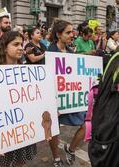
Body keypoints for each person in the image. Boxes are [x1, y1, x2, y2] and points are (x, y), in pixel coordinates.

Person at [0, 31, 37, 167]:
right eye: (16, 44)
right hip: (2, 130)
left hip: (23, 128)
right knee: (3, 163)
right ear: (4, 47)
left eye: (21, 44)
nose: (21, 47)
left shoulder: (28, 71)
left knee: (20, 162)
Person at [48, 19, 86, 167]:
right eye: (68, 32)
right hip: (55, 100)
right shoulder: (50, 53)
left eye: (73, 32)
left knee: (85, 125)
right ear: (59, 34)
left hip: (70, 98)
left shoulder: (71, 52)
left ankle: (71, 149)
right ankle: (56, 158)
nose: (72, 35)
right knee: (54, 129)